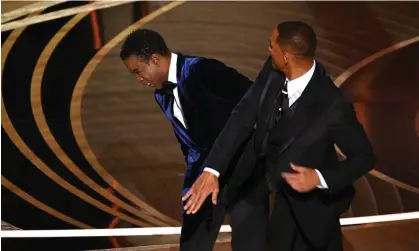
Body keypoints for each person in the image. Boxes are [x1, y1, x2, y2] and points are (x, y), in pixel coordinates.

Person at [183, 21, 375, 251]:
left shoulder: (332, 106)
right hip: (265, 180)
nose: (268, 49)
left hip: (309, 208)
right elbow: (245, 113)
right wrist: (212, 169)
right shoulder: (274, 68)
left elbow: (364, 157)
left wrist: (320, 178)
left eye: (271, 45)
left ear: (287, 57)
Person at [119, 29, 269, 251]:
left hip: (243, 170)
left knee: (251, 244)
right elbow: (186, 139)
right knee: (193, 244)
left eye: (138, 71)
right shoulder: (161, 94)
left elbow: (253, 100)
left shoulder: (203, 70)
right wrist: (196, 170)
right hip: (201, 176)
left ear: (154, 59)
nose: (139, 79)